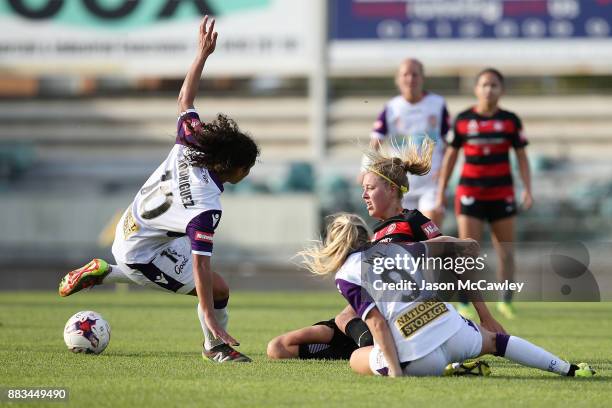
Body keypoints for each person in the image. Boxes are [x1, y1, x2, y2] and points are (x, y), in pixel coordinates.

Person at [58, 17, 259, 363]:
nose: (248, 173)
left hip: (137, 227)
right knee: (218, 289)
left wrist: (201, 55)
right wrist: (209, 315)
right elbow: (200, 265)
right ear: (233, 169)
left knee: (206, 280)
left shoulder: (192, 142)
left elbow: (184, 98)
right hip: (140, 253)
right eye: (247, 168)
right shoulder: (206, 208)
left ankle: (104, 270)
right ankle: (215, 346)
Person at [267, 140, 504, 360]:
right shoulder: (374, 234)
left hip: (401, 317)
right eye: (363, 189)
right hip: (367, 317)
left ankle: (385, 352)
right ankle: (369, 347)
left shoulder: (412, 220)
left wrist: (485, 316)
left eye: (370, 188)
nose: (364, 195)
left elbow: (455, 257)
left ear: (391, 189)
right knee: (278, 347)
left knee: (345, 317)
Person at [301, 214, 595, 378]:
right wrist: (462, 242)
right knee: (498, 342)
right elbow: (439, 244)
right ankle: (567, 369)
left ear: (335, 246)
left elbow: (376, 324)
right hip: (451, 330)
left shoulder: (346, 274)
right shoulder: (398, 247)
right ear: (366, 237)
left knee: (356, 357)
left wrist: (395, 372)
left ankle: (439, 369)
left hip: (416, 358)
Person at [435, 68, 533, 319]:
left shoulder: (511, 120)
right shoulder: (464, 119)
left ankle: (506, 301)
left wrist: (528, 189)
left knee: (506, 250)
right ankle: (465, 301)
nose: (489, 90)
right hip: (470, 193)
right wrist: (441, 191)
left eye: (494, 85)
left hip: (502, 193)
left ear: (502, 90)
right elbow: (450, 157)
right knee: (468, 250)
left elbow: (522, 157)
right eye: (484, 85)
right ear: (476, 89)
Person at [362, 58, 450, 228]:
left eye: (415, 74)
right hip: (400, 183)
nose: (410, 79)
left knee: (430, 230)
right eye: (405, 74)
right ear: (398, 79)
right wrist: (364, 169)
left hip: (430, 182)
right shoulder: (391, 108)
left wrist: (444, 172)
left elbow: (449, 143)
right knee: (404, 232)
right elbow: (376, 141)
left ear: (422, 78)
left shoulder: (437, 104)